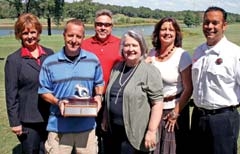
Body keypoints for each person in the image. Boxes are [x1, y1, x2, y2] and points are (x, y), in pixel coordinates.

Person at [38, 19, 104, 154]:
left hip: (87, 128)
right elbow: (44, 91)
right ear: (64, 35)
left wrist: (98, 95)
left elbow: (99, 83)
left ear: (83, 38)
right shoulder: (50, 63)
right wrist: (58, 102)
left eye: (78, 36)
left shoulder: (93, 60)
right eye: (70, 35)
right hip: (59, 127)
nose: (74, 40)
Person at [101, 30, 164, 154]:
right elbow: (110, 96)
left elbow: (157, 103)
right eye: (127, 45)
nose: (130, 49)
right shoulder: (117, 68)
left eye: (134, 45)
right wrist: (105, 118)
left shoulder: (149, 71)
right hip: (113, 133)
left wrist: (151, 131)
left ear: (142, 48)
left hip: (135, 135)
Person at [191, 6, 240, 154]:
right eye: (206, 22)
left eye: (215, 23)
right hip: (198, 117)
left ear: (224, 25)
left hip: (223, 119)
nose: (209, 27)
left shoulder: (234, 53)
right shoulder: (199, 51)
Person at [4, 13, 54, 154]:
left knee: (49, 150)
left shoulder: (49, 54)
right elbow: (11, 94)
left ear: (38, 32)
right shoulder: (14, 60)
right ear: (19, 35)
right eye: (25, 33)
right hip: (28, 120)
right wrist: (15, 122)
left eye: (33, 32)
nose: (30, 36)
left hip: (50, 117)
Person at [146, 17, 193, 154]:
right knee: (153, 148)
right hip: (154, 110)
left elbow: (188, 88)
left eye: (171, 29)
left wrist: (175, 113)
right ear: (157, 32)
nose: (167, 32)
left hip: (172, 112)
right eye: (163, 29)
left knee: (170, 150)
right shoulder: (151, 54)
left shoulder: (182, 55)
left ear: (176, 33)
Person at [81, 9, 122, 154]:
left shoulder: (121, 44)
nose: (103, 27)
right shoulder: (84, 44)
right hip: (89, 98)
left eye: (106, 25)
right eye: (99, 24)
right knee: (89, 138)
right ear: (94, 25)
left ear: (111, 26)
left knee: (111, 139)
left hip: (112, 99)